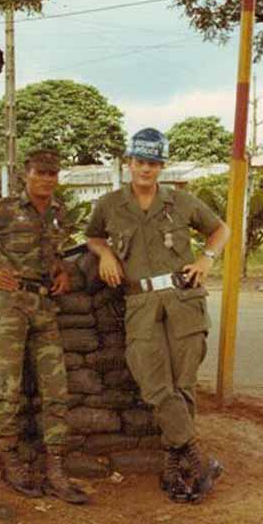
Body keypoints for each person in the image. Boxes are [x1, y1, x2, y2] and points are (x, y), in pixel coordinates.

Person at [85, 128, 230, 503]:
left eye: (152, 163)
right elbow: (93, 236)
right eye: (139, 162)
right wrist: (104, 255)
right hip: (141, 303)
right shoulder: (110, 204)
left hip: (183, 300)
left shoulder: (181, 201)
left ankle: (175, 465)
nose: (145, 169)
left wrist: (206, 259)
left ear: (161, 166)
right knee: (154, 385)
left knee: (183, 386)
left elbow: (220, 230)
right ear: (128, 163)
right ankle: (197, 458)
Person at [0, 148, 88, 505]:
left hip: (45, 306)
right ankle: (10, 458)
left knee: (56, 387)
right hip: (12, 305)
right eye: (40, 172)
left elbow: (55, 255)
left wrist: (62, 272)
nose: (46, 179)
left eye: (52, 173)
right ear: (26, 175)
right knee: (9, 385)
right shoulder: (4, 208)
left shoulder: (59, 213)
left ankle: (56, 465)